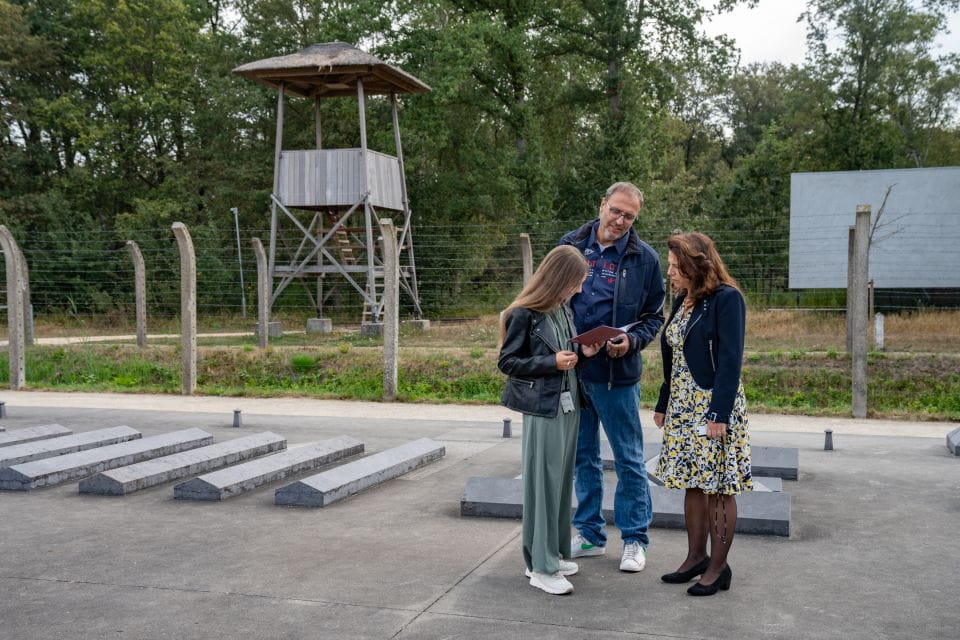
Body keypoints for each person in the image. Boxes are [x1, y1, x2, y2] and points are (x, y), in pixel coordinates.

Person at [559, 182, 665, 572]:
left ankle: (635, 539)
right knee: (582, 457)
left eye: (629, 216)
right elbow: (550, 298)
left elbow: (654, 317)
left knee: (629, 459)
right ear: (602, 204)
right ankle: (589, 534)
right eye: (616, 210)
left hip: (616, 376)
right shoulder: (570, 245)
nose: (620, 220)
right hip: (574, 370)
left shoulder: (645, 260)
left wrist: (631, 341)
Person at [498, 245, 602, 595]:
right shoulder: (523, 313)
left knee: (559, 485)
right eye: (577, 282)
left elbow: (563, 357)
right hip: (544, 409)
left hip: (568, 407)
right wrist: (551, 363)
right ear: (560, 278)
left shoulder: (562, 308)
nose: (580, 289)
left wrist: (582, 354)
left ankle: (552, 555)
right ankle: (540, 567)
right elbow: (508, 362)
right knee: (543, 485)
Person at [653, 232, 752, 596]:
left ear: (696, 266)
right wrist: (664, 402)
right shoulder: (683, 299)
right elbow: (674, 356)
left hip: (712, 405)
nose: (670, 273)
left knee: (719, 485)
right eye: (669, 266)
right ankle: (696, 557)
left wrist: (718, 413)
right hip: (682, 406)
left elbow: (730, 360)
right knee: (692, 482)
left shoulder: (727, 299)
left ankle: (718, 567)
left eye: (676, 267)